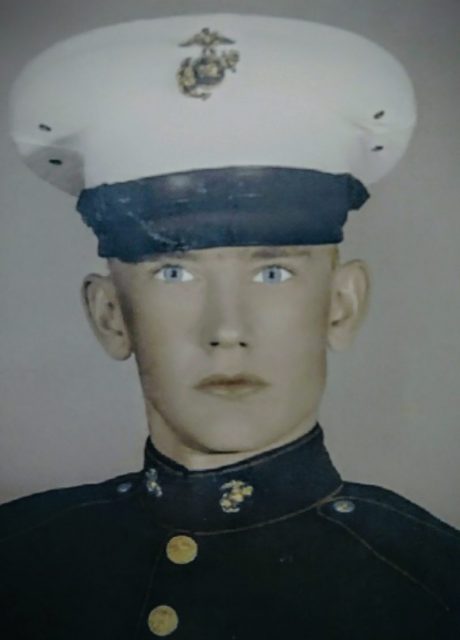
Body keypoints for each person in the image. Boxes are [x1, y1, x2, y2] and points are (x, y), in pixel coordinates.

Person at [1, 13, 459, 640]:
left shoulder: (435, 589)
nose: (226, 330)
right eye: (173, 275)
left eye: (273, 274)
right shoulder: (20, 558)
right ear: (110, 316)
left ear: (342, 305)